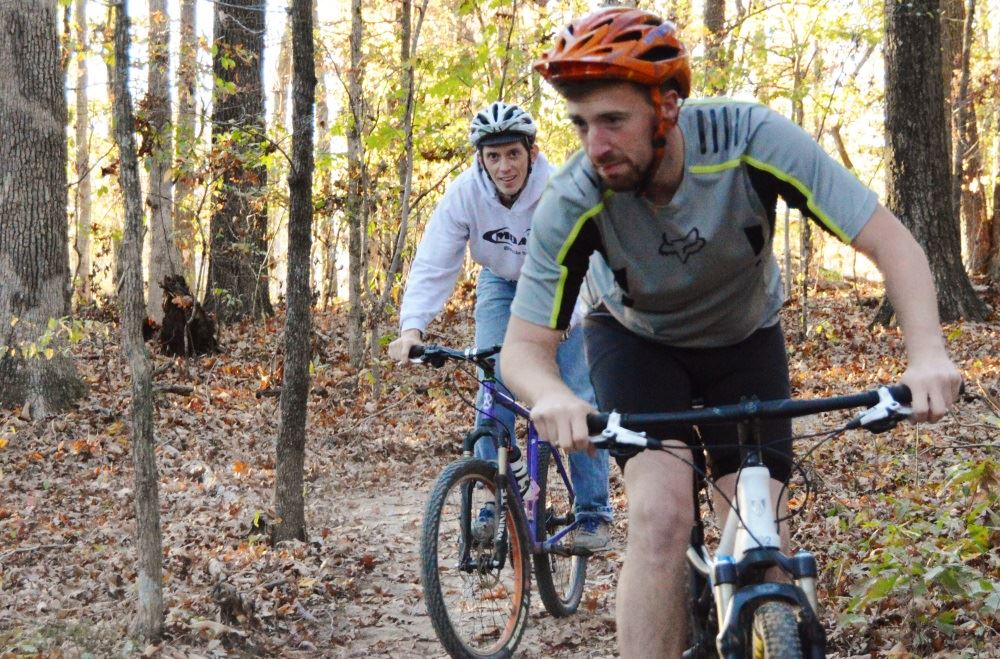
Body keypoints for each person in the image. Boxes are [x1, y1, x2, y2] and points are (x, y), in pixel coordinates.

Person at [499, 7, 963, 657]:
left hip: (744, 337)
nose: (594, 146)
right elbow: (523, 349)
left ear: (666, 107)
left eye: (612, 121)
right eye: (580, 124)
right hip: (637, 340)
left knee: (755, 528)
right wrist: (550, 393)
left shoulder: (751, 140)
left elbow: (894, 245)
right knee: (661, 518)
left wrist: (928, 355)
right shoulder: (575, 199)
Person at [387, 101, 613, 552]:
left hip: (561, 285)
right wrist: (413, 328)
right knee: (494, 390)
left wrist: (569, 319)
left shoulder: (559, 189)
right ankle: (491, 501)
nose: (504, 166)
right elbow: (435, 259)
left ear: (531, 151)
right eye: (493, 157)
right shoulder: (465, 194)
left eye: (512, 153)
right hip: (502, 283)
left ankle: (593, 514)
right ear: (480, 159)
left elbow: (593, 256)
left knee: (573, 396)